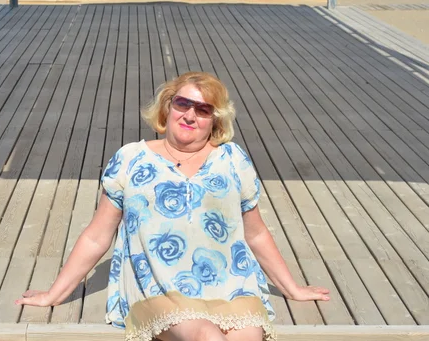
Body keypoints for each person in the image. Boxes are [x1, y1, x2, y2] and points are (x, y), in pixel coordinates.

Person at [16, 72, 330, 341]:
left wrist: (293, 289)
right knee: (207, 336)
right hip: (158, 287)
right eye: (183, 104)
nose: (190, 115)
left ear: (216, 119)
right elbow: (98, 235)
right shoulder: (131, 159)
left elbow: (256, 232)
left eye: (203, 109)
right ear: (167, 107)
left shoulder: (233, 160)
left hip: (232, 286)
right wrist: (54, 294)